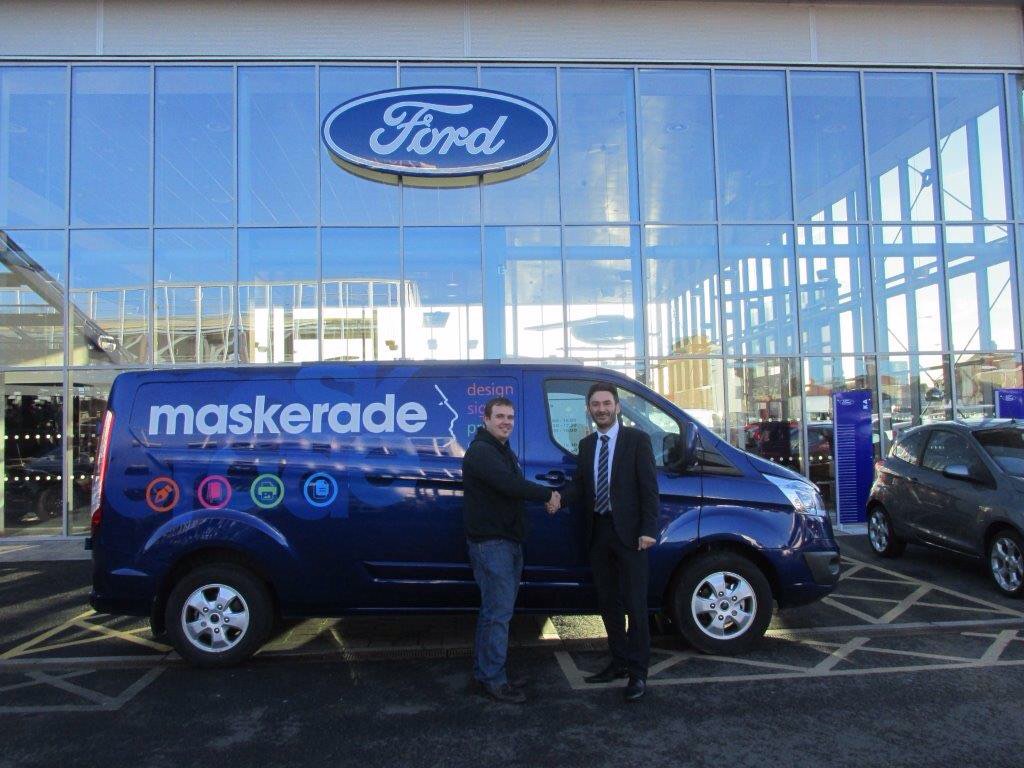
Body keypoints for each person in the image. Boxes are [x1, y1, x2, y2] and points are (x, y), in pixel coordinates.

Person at [560, 382, 659, 702]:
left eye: (606, 403)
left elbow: (649, 490)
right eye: (595, 404)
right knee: (608, 604)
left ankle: (638, 673)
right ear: (588, 409)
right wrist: (556, 499)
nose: (601, 409)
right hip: (598, 531)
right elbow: (580, 487)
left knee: (635, 604)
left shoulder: (637, 440)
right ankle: (617, 662)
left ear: (617, 406)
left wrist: (648, 529)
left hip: (631, 535)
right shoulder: (587, 445)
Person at [462, 396, 560, 704]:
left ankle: (487, 673)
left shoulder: (500, 449)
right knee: (498, 613)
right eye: (500, 416)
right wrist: (548, 494)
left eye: (510, 417)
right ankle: (494, 680)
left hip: (505, 542)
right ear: (486, 419)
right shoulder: (481, 452)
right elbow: (509, 486)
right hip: (492, 545)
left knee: (493, 611)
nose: (506, 421)